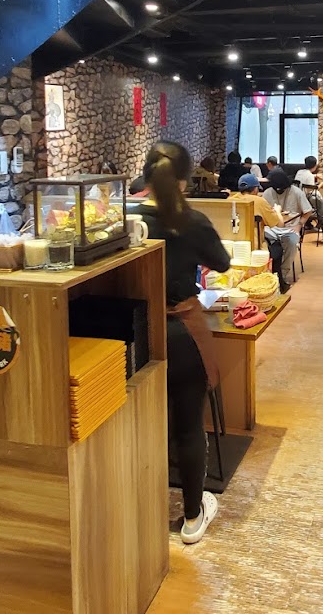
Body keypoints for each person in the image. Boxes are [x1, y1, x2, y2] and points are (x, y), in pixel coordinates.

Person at [132, 141, 232, 546]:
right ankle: (192, 518)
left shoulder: (128, 220)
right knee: (189, 427)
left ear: (146, 176)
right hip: (181, 333)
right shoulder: (192, 221)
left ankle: (138, 509)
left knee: (141, 424)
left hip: (135, 334)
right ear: (186, 180)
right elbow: (222, 262)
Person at [230, 173, 293, 289]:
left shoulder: (230, 200)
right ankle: (278, 284)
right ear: (255, 189)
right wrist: (277, 211)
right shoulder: (259, 201)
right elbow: (279, 224)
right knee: (278, 248)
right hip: (256, 247)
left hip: (233, 247)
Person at [262, 168, 312, 288]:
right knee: (261, 241)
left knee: (291, 242)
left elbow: (308, 211)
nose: (279, 190)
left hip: (291, 227)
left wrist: (299, 225)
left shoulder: (296, 192)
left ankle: (282, 274)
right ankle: (267, 273)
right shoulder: (268, 193)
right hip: (271, 228)